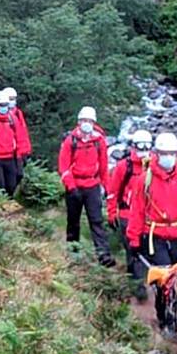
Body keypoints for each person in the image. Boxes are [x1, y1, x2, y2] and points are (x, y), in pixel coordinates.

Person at [126, 132, 177, 338]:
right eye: (164, 153)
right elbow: (136, 211)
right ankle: (165, 319)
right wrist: (134, 240)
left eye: (172, 153)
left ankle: (175, 309)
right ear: (156, 153)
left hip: (176, 235)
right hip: (154, 236)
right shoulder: (145, 180)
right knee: (164, 279)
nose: (168, 157)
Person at [58, 107, 115, 267]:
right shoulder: (71, 140)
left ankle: (103, 255)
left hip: (92, 185)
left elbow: (104, 168)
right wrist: (71, 186)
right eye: (84, 121)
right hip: (75, 186)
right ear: (79, 122)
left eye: (89, 121)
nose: (87, 124)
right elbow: (63, 166)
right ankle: (72, 251)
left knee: (96, 220)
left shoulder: (99, 142)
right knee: (73, 221)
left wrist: (107, 189)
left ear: (94, 123)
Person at [106, 128, 153, 280]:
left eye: (147, 146)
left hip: (150, 217)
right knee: (133, 250)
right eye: (141, 146)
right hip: (128, 214)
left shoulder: (155, 167)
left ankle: (148, 281)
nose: (144, 150)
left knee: (149, 251)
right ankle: (136, 284)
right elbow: (112, 192)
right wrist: (112, 213)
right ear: (134, 146)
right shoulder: (123, 167)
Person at [3, 86, 32, 184]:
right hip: (6, 150)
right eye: (11, 99)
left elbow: (23, 132)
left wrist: (26, 149)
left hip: (19, 150)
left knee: (19, 175)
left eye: (14, 99)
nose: (13, 101)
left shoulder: (18, 113)